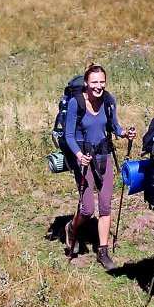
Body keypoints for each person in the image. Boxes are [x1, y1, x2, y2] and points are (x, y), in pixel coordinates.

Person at [63, 64, 136, 270]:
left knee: (105, 206)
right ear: (86, 83)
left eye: (102, 82)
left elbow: (114, 125)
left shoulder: (108, 101)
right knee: (87, 209)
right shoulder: (76, 104)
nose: (99, 86)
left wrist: (123, 134)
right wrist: (78, 155)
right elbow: (69, 135)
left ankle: (103, 251)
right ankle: (71, 227)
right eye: (94, 82)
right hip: (82, 158)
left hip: (104, 157)